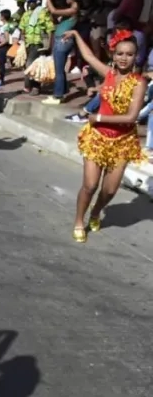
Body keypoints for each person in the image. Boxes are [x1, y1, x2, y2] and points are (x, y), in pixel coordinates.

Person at [64, 29, 145, 242]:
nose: (123, 58)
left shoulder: (139, 82)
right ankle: (79, 220)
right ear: (113, 55)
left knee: (109, 191)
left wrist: (98, 118)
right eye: (119, 53)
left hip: (122, 142)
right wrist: (75, 34)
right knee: (90, 185)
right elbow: (90, 56)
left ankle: (96, 211)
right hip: (97, 139)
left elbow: (131, 117)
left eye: (129, 54)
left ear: (136, 56)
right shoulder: (109, 74)